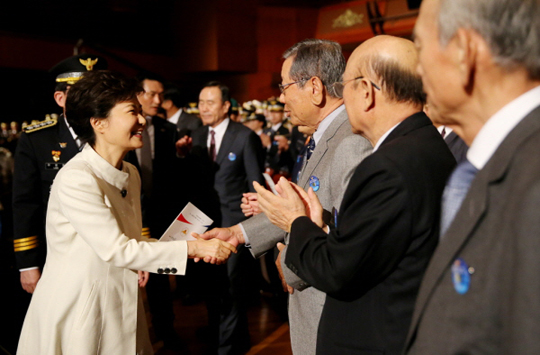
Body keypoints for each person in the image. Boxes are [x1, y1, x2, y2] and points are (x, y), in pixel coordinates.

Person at [253, 35, 455, 354]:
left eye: (344, 86)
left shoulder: (387, 166)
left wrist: (296, 222)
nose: (342, 100)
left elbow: (338, 270)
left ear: (366, 91)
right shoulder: (429, 146)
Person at [16, 70, 236, 355]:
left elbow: (134, 242)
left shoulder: (130, 172)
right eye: (133, 111)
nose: (143, 120)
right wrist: (192, 248)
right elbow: (118, 250)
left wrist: (194, 246)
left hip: (119, 304)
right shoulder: (77, 178)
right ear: (99, 123)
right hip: (79, 310)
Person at [200, 39, 372, 354]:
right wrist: (238, 233)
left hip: (327, 312)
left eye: (285, 87)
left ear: (316, 88)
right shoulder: (325, 136)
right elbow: (304, 210)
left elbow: (350, 240)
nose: (280, 98)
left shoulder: (350, 143)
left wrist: (289, 263)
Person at [405, 0, 540, 353]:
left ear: (464, 52)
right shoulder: (500, 160)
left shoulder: (533, 182)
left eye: (420, 46)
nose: (417, 70)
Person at [176, 81, 265, 354]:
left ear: (226, 106)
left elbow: (255, 183)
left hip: (233, 225)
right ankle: (226, 338)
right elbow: (191, 181)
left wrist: (252, 221)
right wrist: (181, 156)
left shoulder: (244, 136)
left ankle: (227, 348)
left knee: (231, 288)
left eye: (210, 102)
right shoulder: (196, 136)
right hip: (203, 224)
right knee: (212, 287)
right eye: (201, 102)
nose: (204, 107)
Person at [124, 72, 185, 350]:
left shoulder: (166, 129)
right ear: (137, 95)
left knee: (160, 282)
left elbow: (173, 177)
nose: (158, 100)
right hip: (127, 215)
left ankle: (165, 331)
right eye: (151, 94)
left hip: (159, 216)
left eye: (161, 94)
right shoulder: (121, 129)